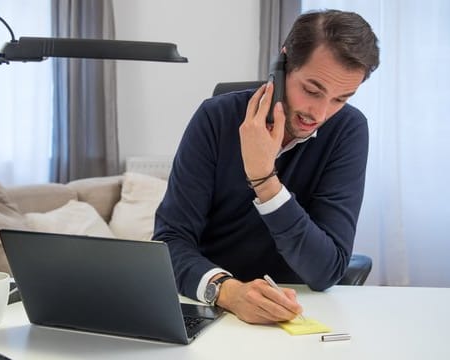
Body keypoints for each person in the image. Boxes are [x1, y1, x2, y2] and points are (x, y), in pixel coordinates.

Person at [153, 9, 380, 324]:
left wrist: (265, 180)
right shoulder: (215, 119)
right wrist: (229, 292)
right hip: (212, 306)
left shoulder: (348, 130)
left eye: (340, 99)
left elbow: (327, 270)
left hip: (294, 312)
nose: (320, 113)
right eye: (312, 91)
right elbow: (170, 241)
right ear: (283, 65)